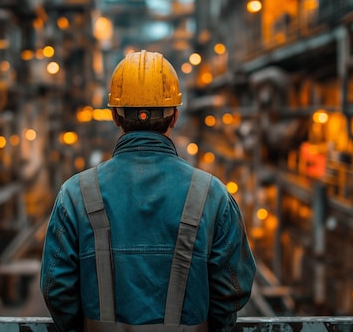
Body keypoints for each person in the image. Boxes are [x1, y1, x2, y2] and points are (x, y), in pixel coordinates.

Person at [40, 50, 256, 332]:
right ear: (175, 116)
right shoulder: (212, 195)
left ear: (115, 116)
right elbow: (233, 289)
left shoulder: (75, 194)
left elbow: (56, 289)